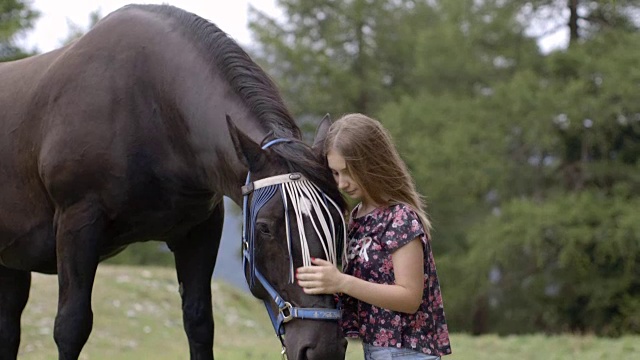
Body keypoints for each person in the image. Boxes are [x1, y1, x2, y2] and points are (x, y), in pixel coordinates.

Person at [296, 113, 452, 359]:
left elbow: (410, 297)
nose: (342, 183)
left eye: (348, 172)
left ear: (373, 164)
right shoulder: (356, 218)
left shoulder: (399, 218)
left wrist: (342, 282)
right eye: (335, 174)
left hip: (407, 353)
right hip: (377, 350)